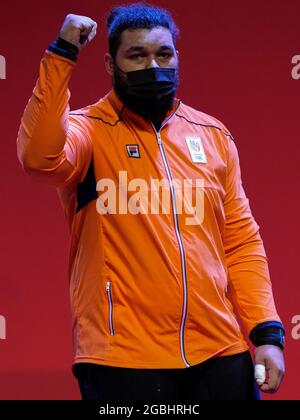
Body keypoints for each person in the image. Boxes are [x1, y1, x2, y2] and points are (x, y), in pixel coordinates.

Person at [16, 2, 285, 400]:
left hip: (220, 351)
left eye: (163, 54)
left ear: (178, 57)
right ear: (110, 64)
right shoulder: (86, 131)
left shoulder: (212, 135)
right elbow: (39, 158)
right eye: (137, 56)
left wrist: (266, 333)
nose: (153, 67)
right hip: (123, 358)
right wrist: (62, 54)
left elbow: (241, 242)